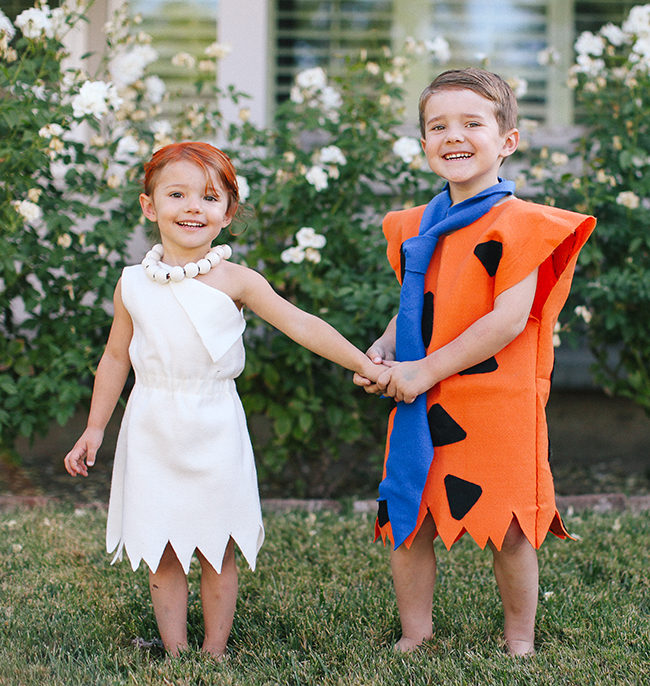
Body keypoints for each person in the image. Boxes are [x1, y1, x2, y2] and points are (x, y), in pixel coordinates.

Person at [64, 141, 385, 658]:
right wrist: (95, 428)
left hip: (213, 423)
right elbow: (115, 358)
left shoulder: (237, 280)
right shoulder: (131, 284)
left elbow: (301, 325)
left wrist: (364, 364)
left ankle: (214, 649)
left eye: (210, 197)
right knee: (161, 545)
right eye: (177, 194)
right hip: (151, 423)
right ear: (150, 206)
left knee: (217, 543)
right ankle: (176, 649)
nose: (194, 206)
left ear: (228, 214)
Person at [354, 68, 595, 656]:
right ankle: (416, 632)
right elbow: (418, 308)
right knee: (409, 520)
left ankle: (519, 639)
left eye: (472, 123)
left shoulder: (523, 225)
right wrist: (386, 348)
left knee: (509, 530)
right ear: (423, 143)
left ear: (507, 140)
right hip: (422, 398)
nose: (453, 136)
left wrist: (423, 370)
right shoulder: (416, 227)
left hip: (494, 401)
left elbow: (507, 320)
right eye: (439, 126)